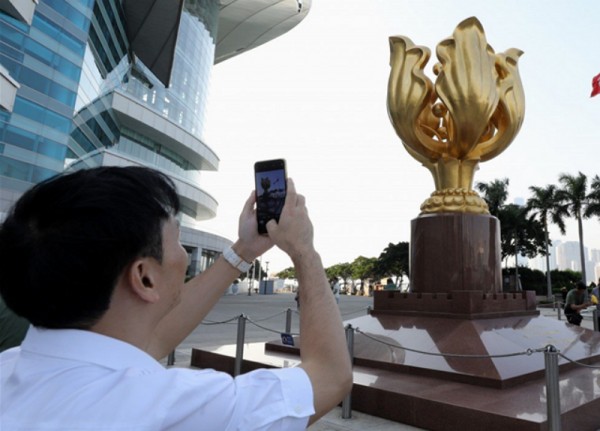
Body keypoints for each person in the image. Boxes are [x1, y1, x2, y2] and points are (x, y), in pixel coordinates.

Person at [0, 166, 352, 430]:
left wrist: (244, 250)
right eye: (177, 239)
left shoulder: (10, 366)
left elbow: (148, 341)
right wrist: (305, 251)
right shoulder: (177, 406)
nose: (183, 256)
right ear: (144, 277)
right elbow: (329, 375)